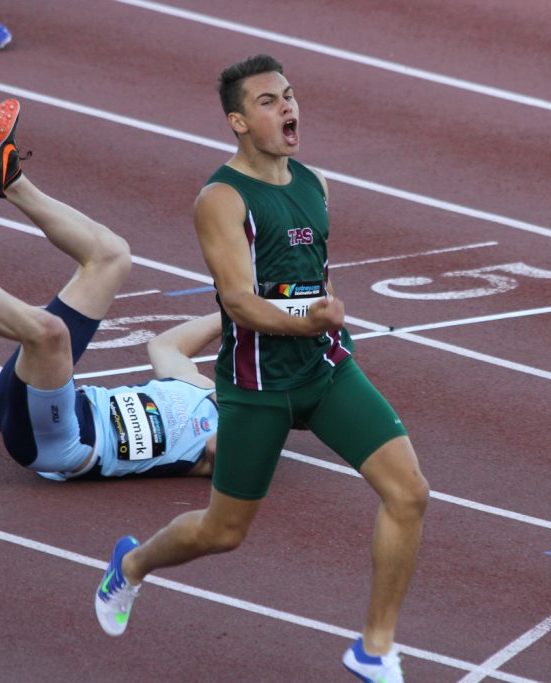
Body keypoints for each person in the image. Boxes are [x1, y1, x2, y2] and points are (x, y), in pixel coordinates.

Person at [93, 55, 430, 682]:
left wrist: (323, 321)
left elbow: (310, 279)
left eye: (290, 96)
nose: (287, 108)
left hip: (327, 372)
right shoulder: (220, 199)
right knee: (223, 533)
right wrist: (310, 321)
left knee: (409, 493)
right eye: (269, 101)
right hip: (257, 388)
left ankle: (374, 648)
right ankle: (131, 567)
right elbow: (240, 304)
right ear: (239, 121)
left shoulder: (314, 183)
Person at [0, 98, 223, 482]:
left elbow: (219, 451)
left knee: (49, 333)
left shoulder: (243, 439)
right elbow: (164, 346)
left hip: (60, 442)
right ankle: (10, 180)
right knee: (112, 256)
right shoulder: (202, 387)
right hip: (47, 400)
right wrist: (237, 313)